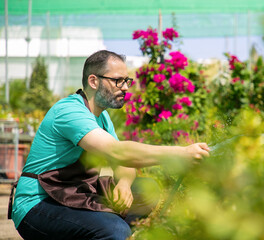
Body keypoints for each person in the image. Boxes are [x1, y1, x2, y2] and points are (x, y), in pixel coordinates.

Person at [11, 50, 210, 240]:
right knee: (114, 228)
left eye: (127, 81)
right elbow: (118, 152)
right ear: (93, 81)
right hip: (37, 204)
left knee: (146, 190)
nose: (125, 87)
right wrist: (179, 153)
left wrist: (124, 184)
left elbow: (124, 164)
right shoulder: (69, 112)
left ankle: (105, 233)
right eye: (118, 81)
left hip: (71, 193)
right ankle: (109, 232)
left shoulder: (102, 117)